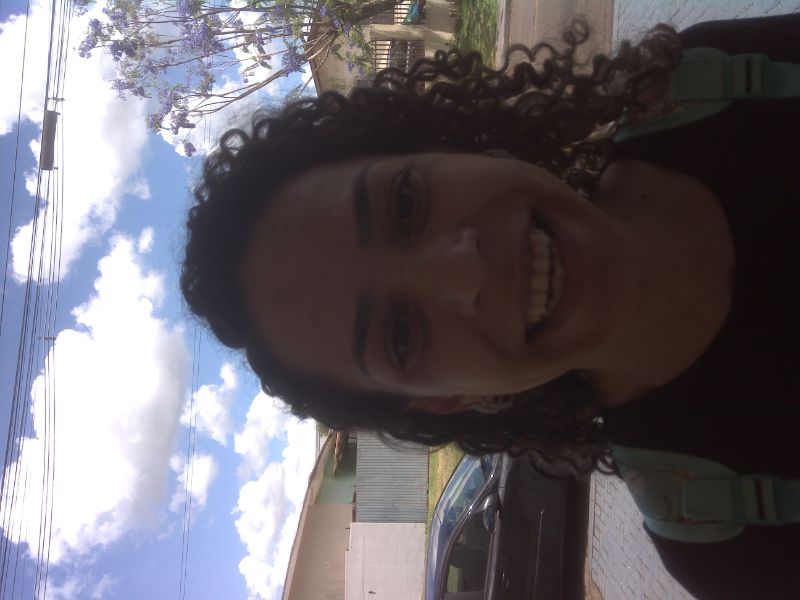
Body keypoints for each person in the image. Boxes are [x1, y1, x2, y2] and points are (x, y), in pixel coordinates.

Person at [181, 13, 800, 599]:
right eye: (400, 334)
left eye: (405, 205)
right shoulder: (734, 542)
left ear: (449, 148)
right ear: (450, 398)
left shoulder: (717, 81)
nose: (468, 271)